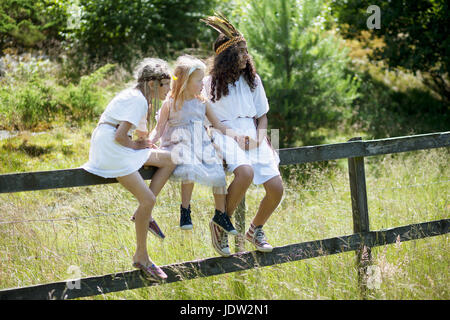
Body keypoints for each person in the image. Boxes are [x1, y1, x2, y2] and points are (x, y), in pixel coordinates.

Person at [82, 58, 176, 280]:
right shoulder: (137, 101)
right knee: (148, 200)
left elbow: (140, 136)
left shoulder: (137, 98)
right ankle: (141, 256)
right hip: (111, 148)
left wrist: (142, 143)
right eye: (165, 84)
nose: (168, 89)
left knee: (169, 159)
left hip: (110, 145)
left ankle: (142, 215)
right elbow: (120, 135)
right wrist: (135, 145)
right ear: (152, 83)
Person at [201, 14, 284, 253]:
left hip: (252, 132)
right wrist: (236, 138)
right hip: (223, 133)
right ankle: (220, 224)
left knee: (276, 188)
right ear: (227, 57)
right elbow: (212, 121)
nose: (246, 56)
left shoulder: (253, 80)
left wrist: (259, 137)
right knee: (245, 173)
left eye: (247, 51)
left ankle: (255, 229)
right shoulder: (209, 84)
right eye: (241, 52)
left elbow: (263, 115)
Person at [149, 55, 245, 257]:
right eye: (199, 80)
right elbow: (159, 129)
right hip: (178, 144)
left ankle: (220, 215)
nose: (203, 84)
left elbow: (218, 125)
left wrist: (235, 136)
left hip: (201, 145)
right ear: (184, 81)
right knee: (189, 168)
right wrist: (149, 141)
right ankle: (185, 210)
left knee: (218, 172)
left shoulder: (202, 103)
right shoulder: (172, 102)